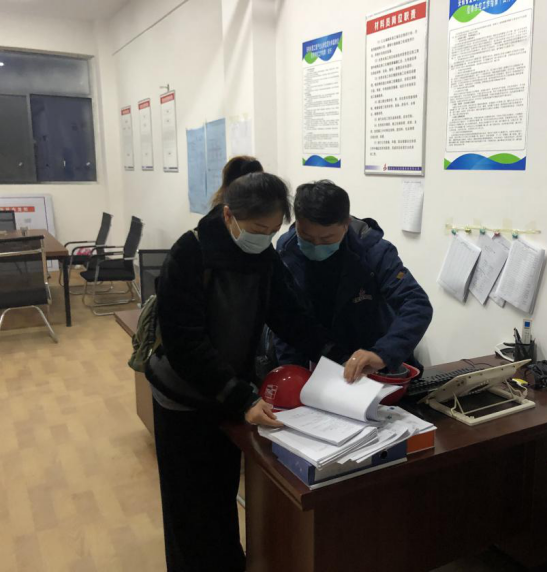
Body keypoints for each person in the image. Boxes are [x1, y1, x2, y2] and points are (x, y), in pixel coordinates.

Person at [146, 172, 346, 572]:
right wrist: (243, 397)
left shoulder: (263, 257)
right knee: (189, 507)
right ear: (228, 216)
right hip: (183, 397)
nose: (264, 239)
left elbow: (290, 316)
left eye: (272, 231)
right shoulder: (189, 253)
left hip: (228, 397)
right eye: (257, 230)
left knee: (220, 494)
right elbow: (186, 345)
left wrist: (333, 356)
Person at [276, 180, 433, 382]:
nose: (316, 245)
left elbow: (416, 304)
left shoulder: (374, 251)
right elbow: (285, 318)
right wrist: (292, 372)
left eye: (326, 239)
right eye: (306, 237)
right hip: (318, 363)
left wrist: (383, 353)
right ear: (297, 222)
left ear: (346, 224)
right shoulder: (287, 250)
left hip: (371, 366)